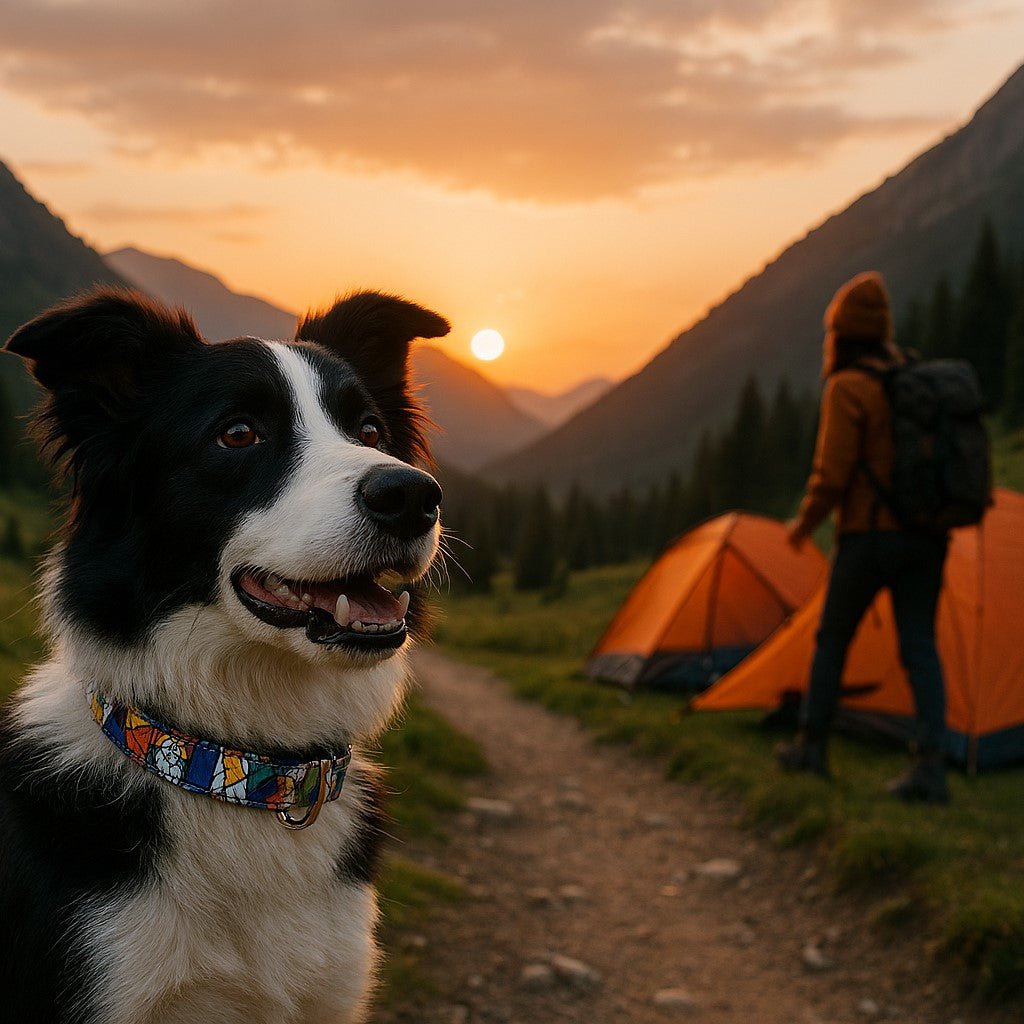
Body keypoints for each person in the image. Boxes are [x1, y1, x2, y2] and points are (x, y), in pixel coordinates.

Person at [775, 271, 950, 804]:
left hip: (869, 537)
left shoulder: (848, 387)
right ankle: (930, 769)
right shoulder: (912, 379)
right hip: (928, 535)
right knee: (920, 646)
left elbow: (831, 475)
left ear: (841, 334)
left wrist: (802, 529)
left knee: (832, 640)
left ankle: (812, 747)